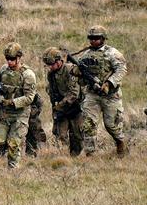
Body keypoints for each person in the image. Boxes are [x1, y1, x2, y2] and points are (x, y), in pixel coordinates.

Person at [72, 25, 128, 157]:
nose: (93, 41)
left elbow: (121, 70)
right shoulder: (86, 55)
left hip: (111, 96)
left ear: (103, 38)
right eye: (91, 38)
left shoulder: (112, 53)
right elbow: (76, 71)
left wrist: (109, 83)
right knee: (88, 124)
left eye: (96, 38)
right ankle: (90, 154)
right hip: (92, 95)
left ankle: (120, 142)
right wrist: (77, 71)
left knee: (111, 125)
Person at [0, 42, 37, 169]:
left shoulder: (28, 75)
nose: (9, 62)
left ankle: (13, 169)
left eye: (12, 59)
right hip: (4, 113)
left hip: (20, 114)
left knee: (14, 144)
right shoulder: (3, 70)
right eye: (7, 59)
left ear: (19, 58)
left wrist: (12, 102)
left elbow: (29, 97)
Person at [43, 47, 83, 156]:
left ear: (59, 61)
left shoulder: (70, 70)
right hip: (61, 108)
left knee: (77, 135)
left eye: (51, 64)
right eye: (48, 65)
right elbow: (51, 89)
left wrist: (59, 106)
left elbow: (74, 93)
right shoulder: (51, 74)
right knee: (60, 135)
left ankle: (76, 158)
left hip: (75, 107)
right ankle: (63, 159)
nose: (49, 67)